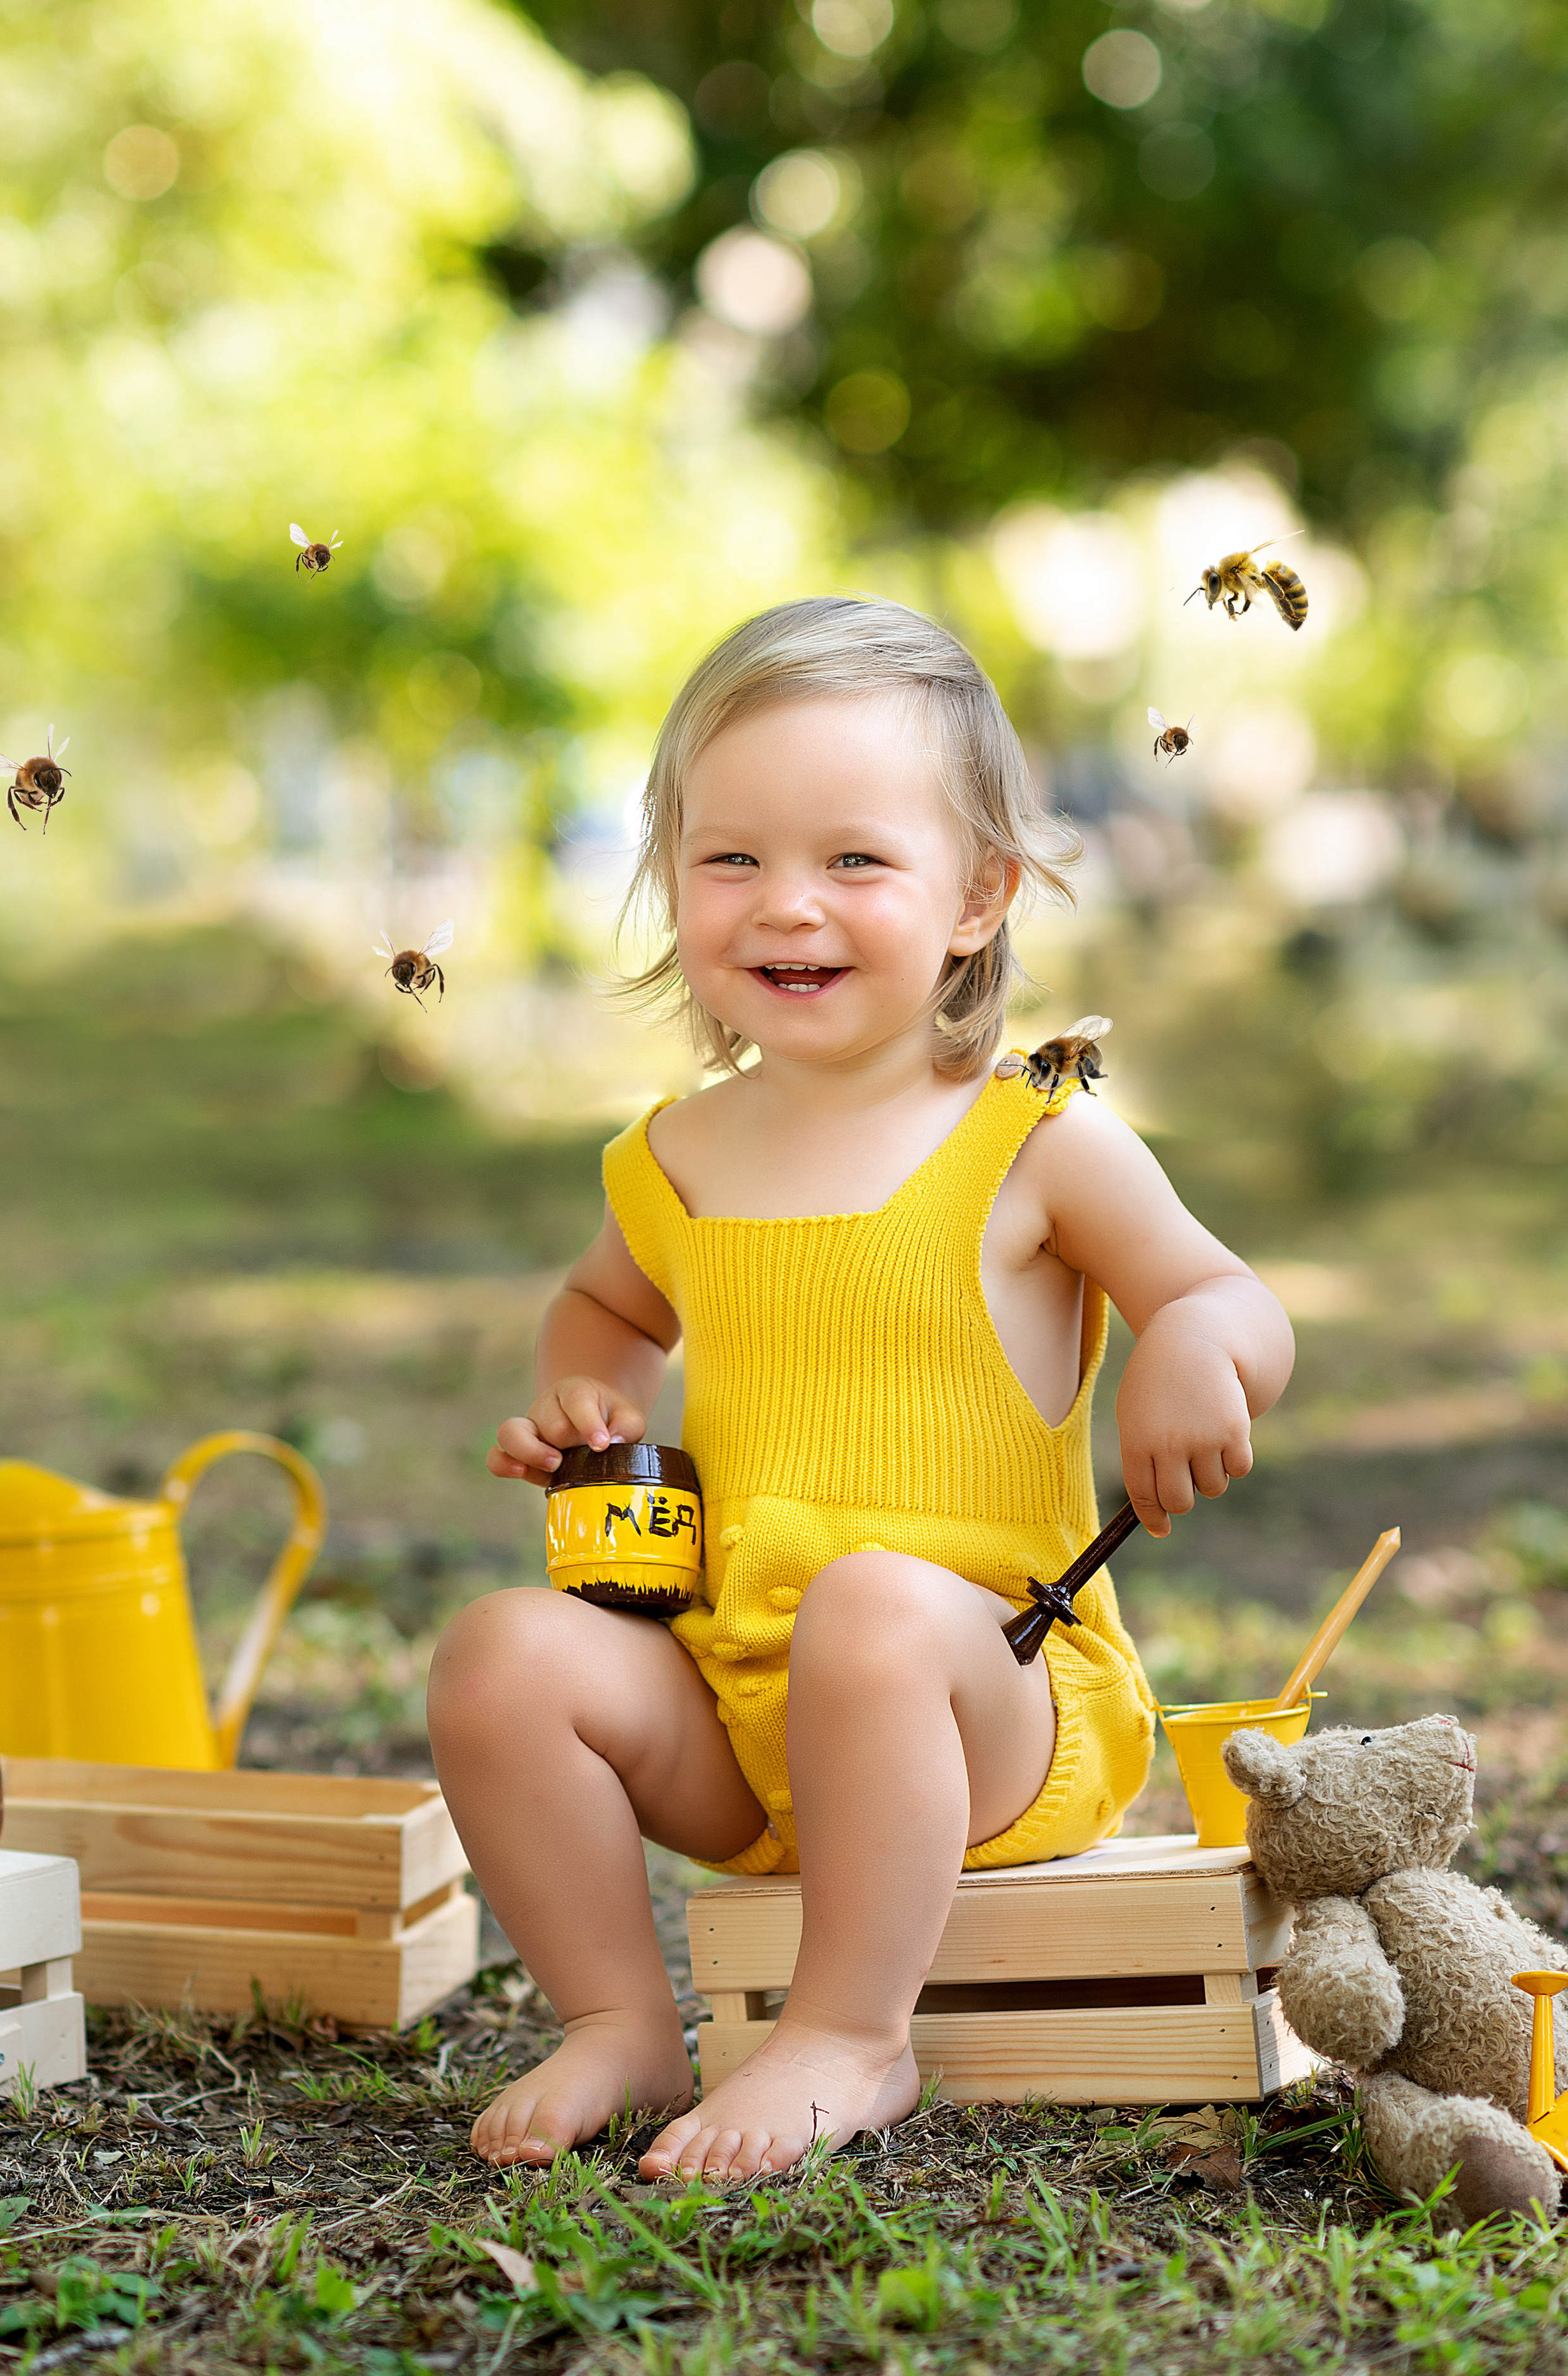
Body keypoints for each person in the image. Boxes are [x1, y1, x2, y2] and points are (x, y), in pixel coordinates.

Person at [427, 596, 1294, 2185]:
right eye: (732, 859)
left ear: (978, 896)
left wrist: (1186, 1350)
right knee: (499, 1656)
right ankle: (619, 2016)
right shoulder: (674, 1152)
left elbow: (1223, 1294)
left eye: (852, 861)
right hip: (741, 1709)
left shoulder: (1029, 1138)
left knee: (877, 1608)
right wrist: (584, 1399)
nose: (786, 908)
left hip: (988, 1705)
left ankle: (846, 2031)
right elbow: (602, 1304)